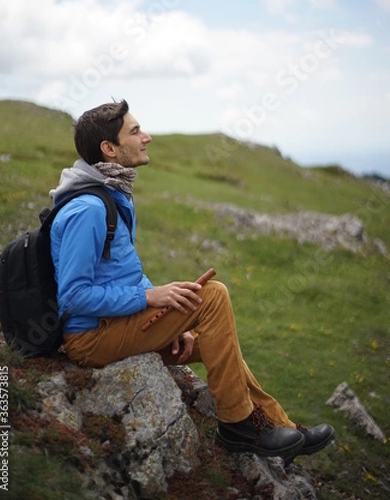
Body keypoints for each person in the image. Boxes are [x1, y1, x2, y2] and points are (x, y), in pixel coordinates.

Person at [50, 99, 335, 462]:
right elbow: (73, 297)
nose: (147, 137)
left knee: (215, 341)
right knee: (212, 296)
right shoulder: (88, 209)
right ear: (109, 148)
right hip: (90, 339)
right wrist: (151, 298)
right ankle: (238, 426)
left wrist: (174, 320)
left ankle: (281, 426)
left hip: (114, 325)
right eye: (135, 132)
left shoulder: (110, 193)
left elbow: (124, 271)